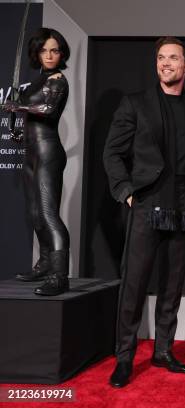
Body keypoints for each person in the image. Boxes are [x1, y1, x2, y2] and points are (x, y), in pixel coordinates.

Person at [103, 37, 185, 388]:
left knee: (172, 286)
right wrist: (126, 192)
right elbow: (112, 153)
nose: (166, 63)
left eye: (173, 58)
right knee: (134, 284)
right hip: (146, 205)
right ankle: (125, 358)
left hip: (184, 208)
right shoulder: (135, 104)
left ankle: (163, 350)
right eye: (161, 57)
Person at [1, 28, 71, 296]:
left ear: (61, 53)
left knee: (49, 214)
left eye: (54, 50)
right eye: (44, 50)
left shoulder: (57, 80)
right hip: (31, 153)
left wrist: (18, 107)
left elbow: (48, 110)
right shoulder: (40, 80)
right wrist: (18, 127)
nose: (49, 55)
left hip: (48, 152)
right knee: (34, 214)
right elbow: (30, 115)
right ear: (37, 53)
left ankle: (59, 276)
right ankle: (44, 264)